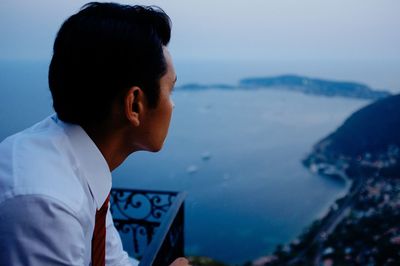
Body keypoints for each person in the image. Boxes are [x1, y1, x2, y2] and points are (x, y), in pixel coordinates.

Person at [0, 2, 190, 266]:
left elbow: (112, 261)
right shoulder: (44, 202)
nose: (172, 104)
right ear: (134, 104)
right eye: (170, 90)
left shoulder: (80, 161)